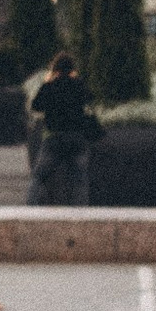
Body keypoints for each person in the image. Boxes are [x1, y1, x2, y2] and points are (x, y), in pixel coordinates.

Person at [27, 46, 101, 204]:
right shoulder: (79, 85)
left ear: (55, 68)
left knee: (38, 176)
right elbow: (91, 99)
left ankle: (30, 208)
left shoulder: (49, 86)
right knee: (80, 178)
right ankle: (81, 214)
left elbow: (36, 106)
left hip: (54, 137)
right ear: (72, 68)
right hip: (77, 137)